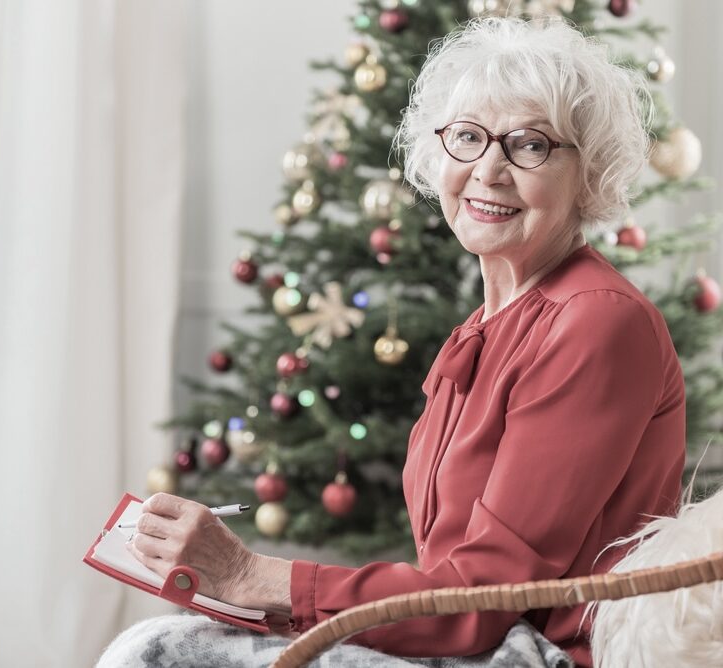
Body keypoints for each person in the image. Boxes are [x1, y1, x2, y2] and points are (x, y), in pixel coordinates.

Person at [99, 17, 685, 668]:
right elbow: (453, 576)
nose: (488, 170)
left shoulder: (597, 320)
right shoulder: (481, 329)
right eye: (467, 138)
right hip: (477, 640)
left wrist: (252, 576)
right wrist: (246, 591)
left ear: (590, 171)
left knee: (152, 653)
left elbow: (491, 597)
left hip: (540, 655)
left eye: (529, 145)